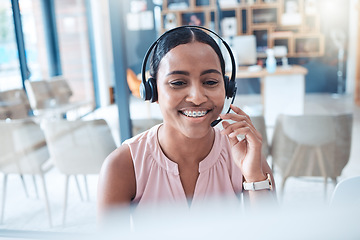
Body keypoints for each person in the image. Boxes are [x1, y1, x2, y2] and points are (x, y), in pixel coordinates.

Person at [97, 26, 275, 221]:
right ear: (152, 92)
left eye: (210, 82)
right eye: (178, 83)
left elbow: (270, 231)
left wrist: (253, 177)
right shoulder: (122, 166)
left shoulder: (246, 157)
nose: (197, 98)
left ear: (228, 89)